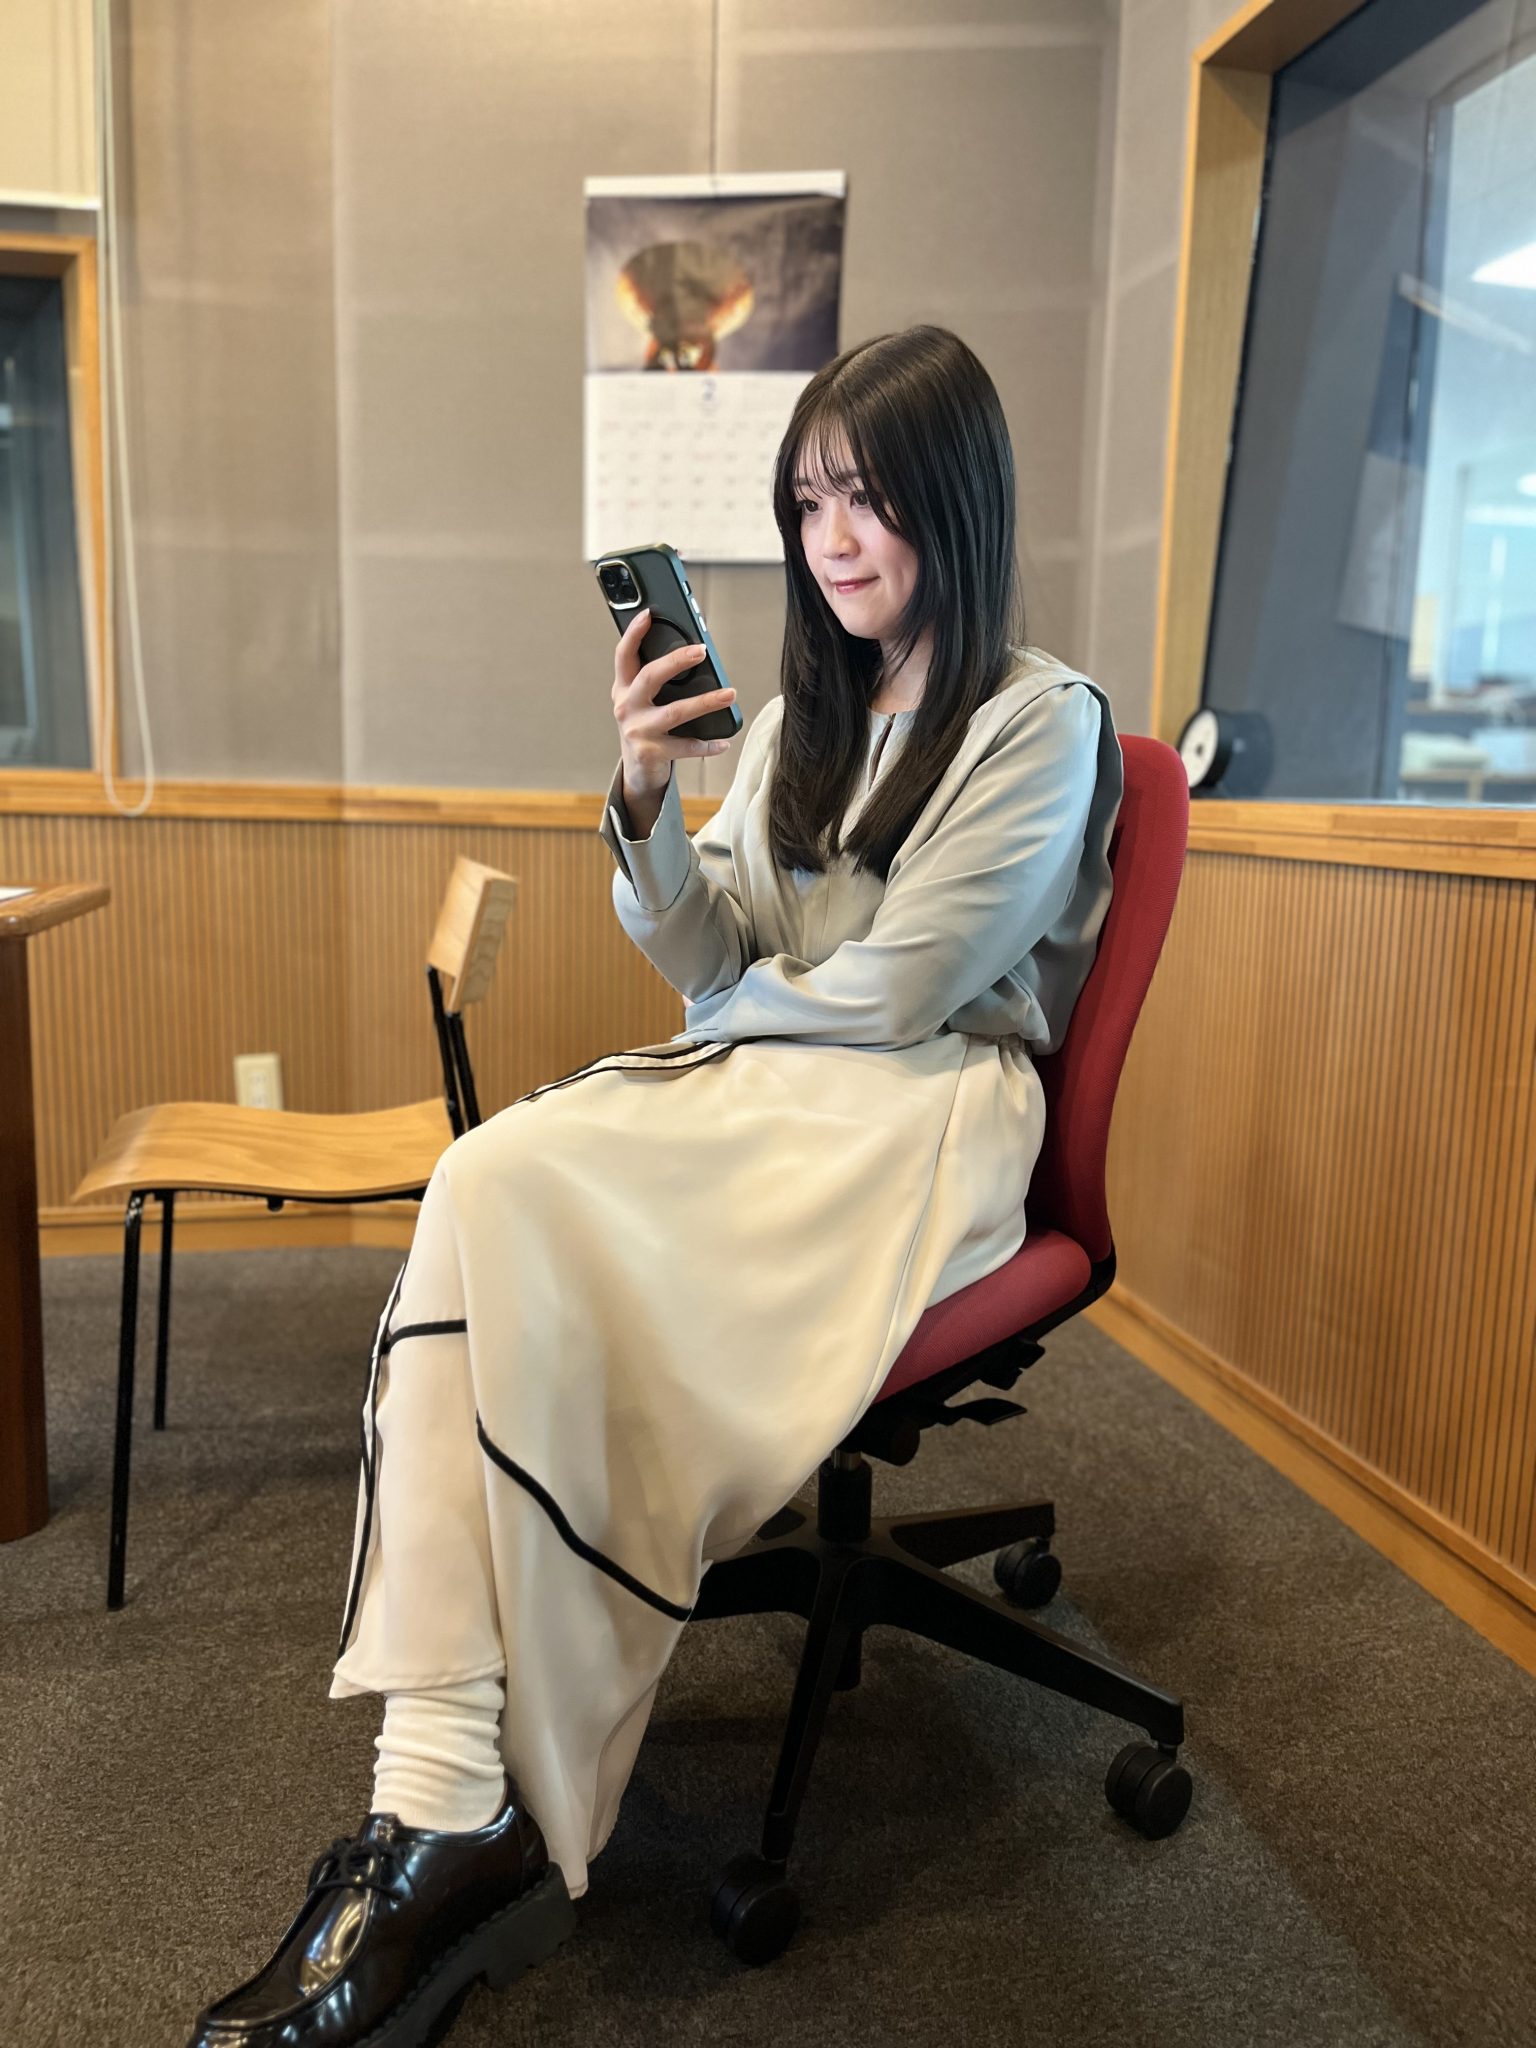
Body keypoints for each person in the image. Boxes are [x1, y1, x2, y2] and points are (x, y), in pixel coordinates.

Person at [185, 323, 1125, 2047]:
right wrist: (639, 797)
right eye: (810, 501)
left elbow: (900, 992)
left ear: (958, 500)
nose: (835, 539)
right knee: (492, 1185)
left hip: (922, 1117)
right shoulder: (797, 726)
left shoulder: (1040, 723)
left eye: (871, 498)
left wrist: (721, 1022)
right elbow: (708, 957)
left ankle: (451, 1827)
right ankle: (434, 1807)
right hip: (778, 1090)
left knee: (516, 1187)